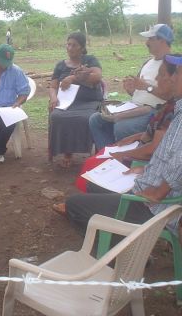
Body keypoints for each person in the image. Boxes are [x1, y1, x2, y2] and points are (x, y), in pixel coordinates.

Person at [65, 53, 182, 237]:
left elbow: (177, 160)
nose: (174, 78)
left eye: (178, 74)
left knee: (73, 205)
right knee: (93, 185)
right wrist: (148, 170)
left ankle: (125, 253)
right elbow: (170, 156)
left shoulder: (180, 116)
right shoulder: (176, 109)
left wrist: (159, 191)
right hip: (149, 188)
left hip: (153, 208)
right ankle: (126, 241)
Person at [89, 24, 173, 151]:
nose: (147, 42)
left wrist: (146, 87)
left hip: (154, 112)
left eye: (150, 39)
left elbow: (171, 96)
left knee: (122, 126)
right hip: (134, 106)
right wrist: (131, 90)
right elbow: (139, 92)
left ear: (161, 40)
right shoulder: (148, 62)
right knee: (96, 119)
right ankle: (107, 156)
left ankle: (124, 160)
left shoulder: (172, 64)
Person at [48, 32, 103, 168]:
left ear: (82, 47)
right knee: (57, 116)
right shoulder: (60, 65)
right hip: (66, 103)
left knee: (86, 118)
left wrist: (73, 78)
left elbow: (97, 77)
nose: (70, 48)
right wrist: (54, 98)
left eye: (74, 45)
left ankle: (88, 152)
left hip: (89, 102)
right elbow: (53, 86)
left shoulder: (89, 61)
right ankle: (67, 152)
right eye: (68, 44)